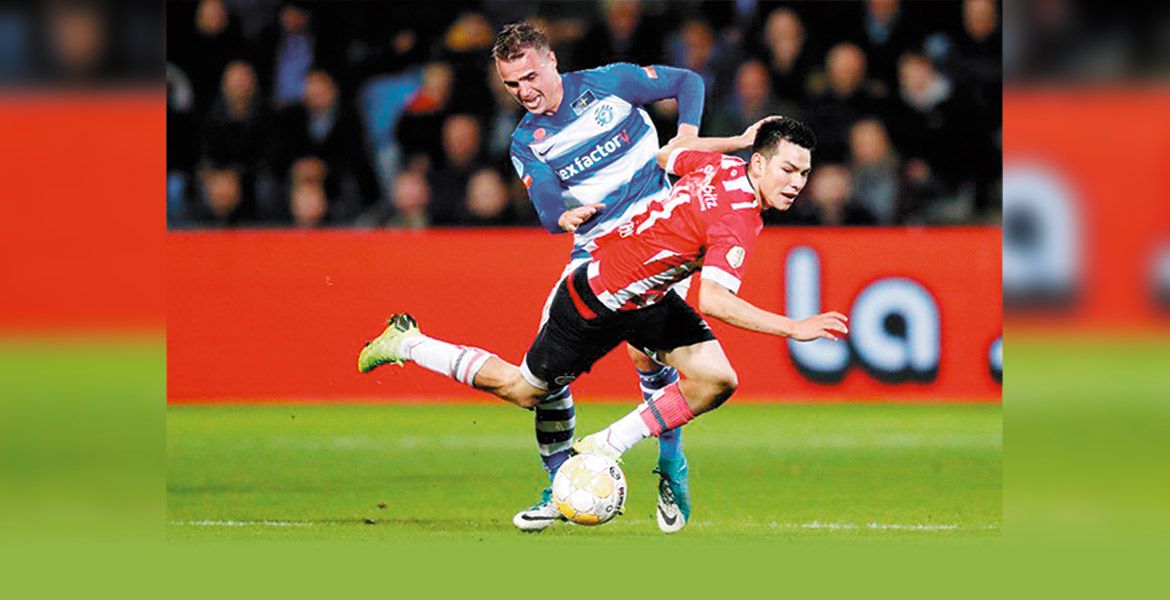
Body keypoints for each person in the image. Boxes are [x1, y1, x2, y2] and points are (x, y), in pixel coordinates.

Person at [357, 118, 849, 532]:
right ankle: (409, 342)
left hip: (645, 298)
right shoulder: (737, 216)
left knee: (717, 379)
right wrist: (794, 327)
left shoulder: (720, 166)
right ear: (758, 165)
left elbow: (667, 155)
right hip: (594, 299)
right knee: (522, 389)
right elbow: (715, 300)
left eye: (804, 173)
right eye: (787, 169)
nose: (796, 182)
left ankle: (606, 445)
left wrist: (737, 141)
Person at [490, 21, 705, 533]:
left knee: (646, 354)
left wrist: (687, 136)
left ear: (551, 60)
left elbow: (687, 82)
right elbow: (547, 206)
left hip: (660, 236)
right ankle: (561, 482)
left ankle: (670, 463)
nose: (524, 92)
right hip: (594, 251)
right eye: (512, 84)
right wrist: (561, 217)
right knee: (544, 375)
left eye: (530, 76)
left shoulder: (609, 82)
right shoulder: (526, 141)